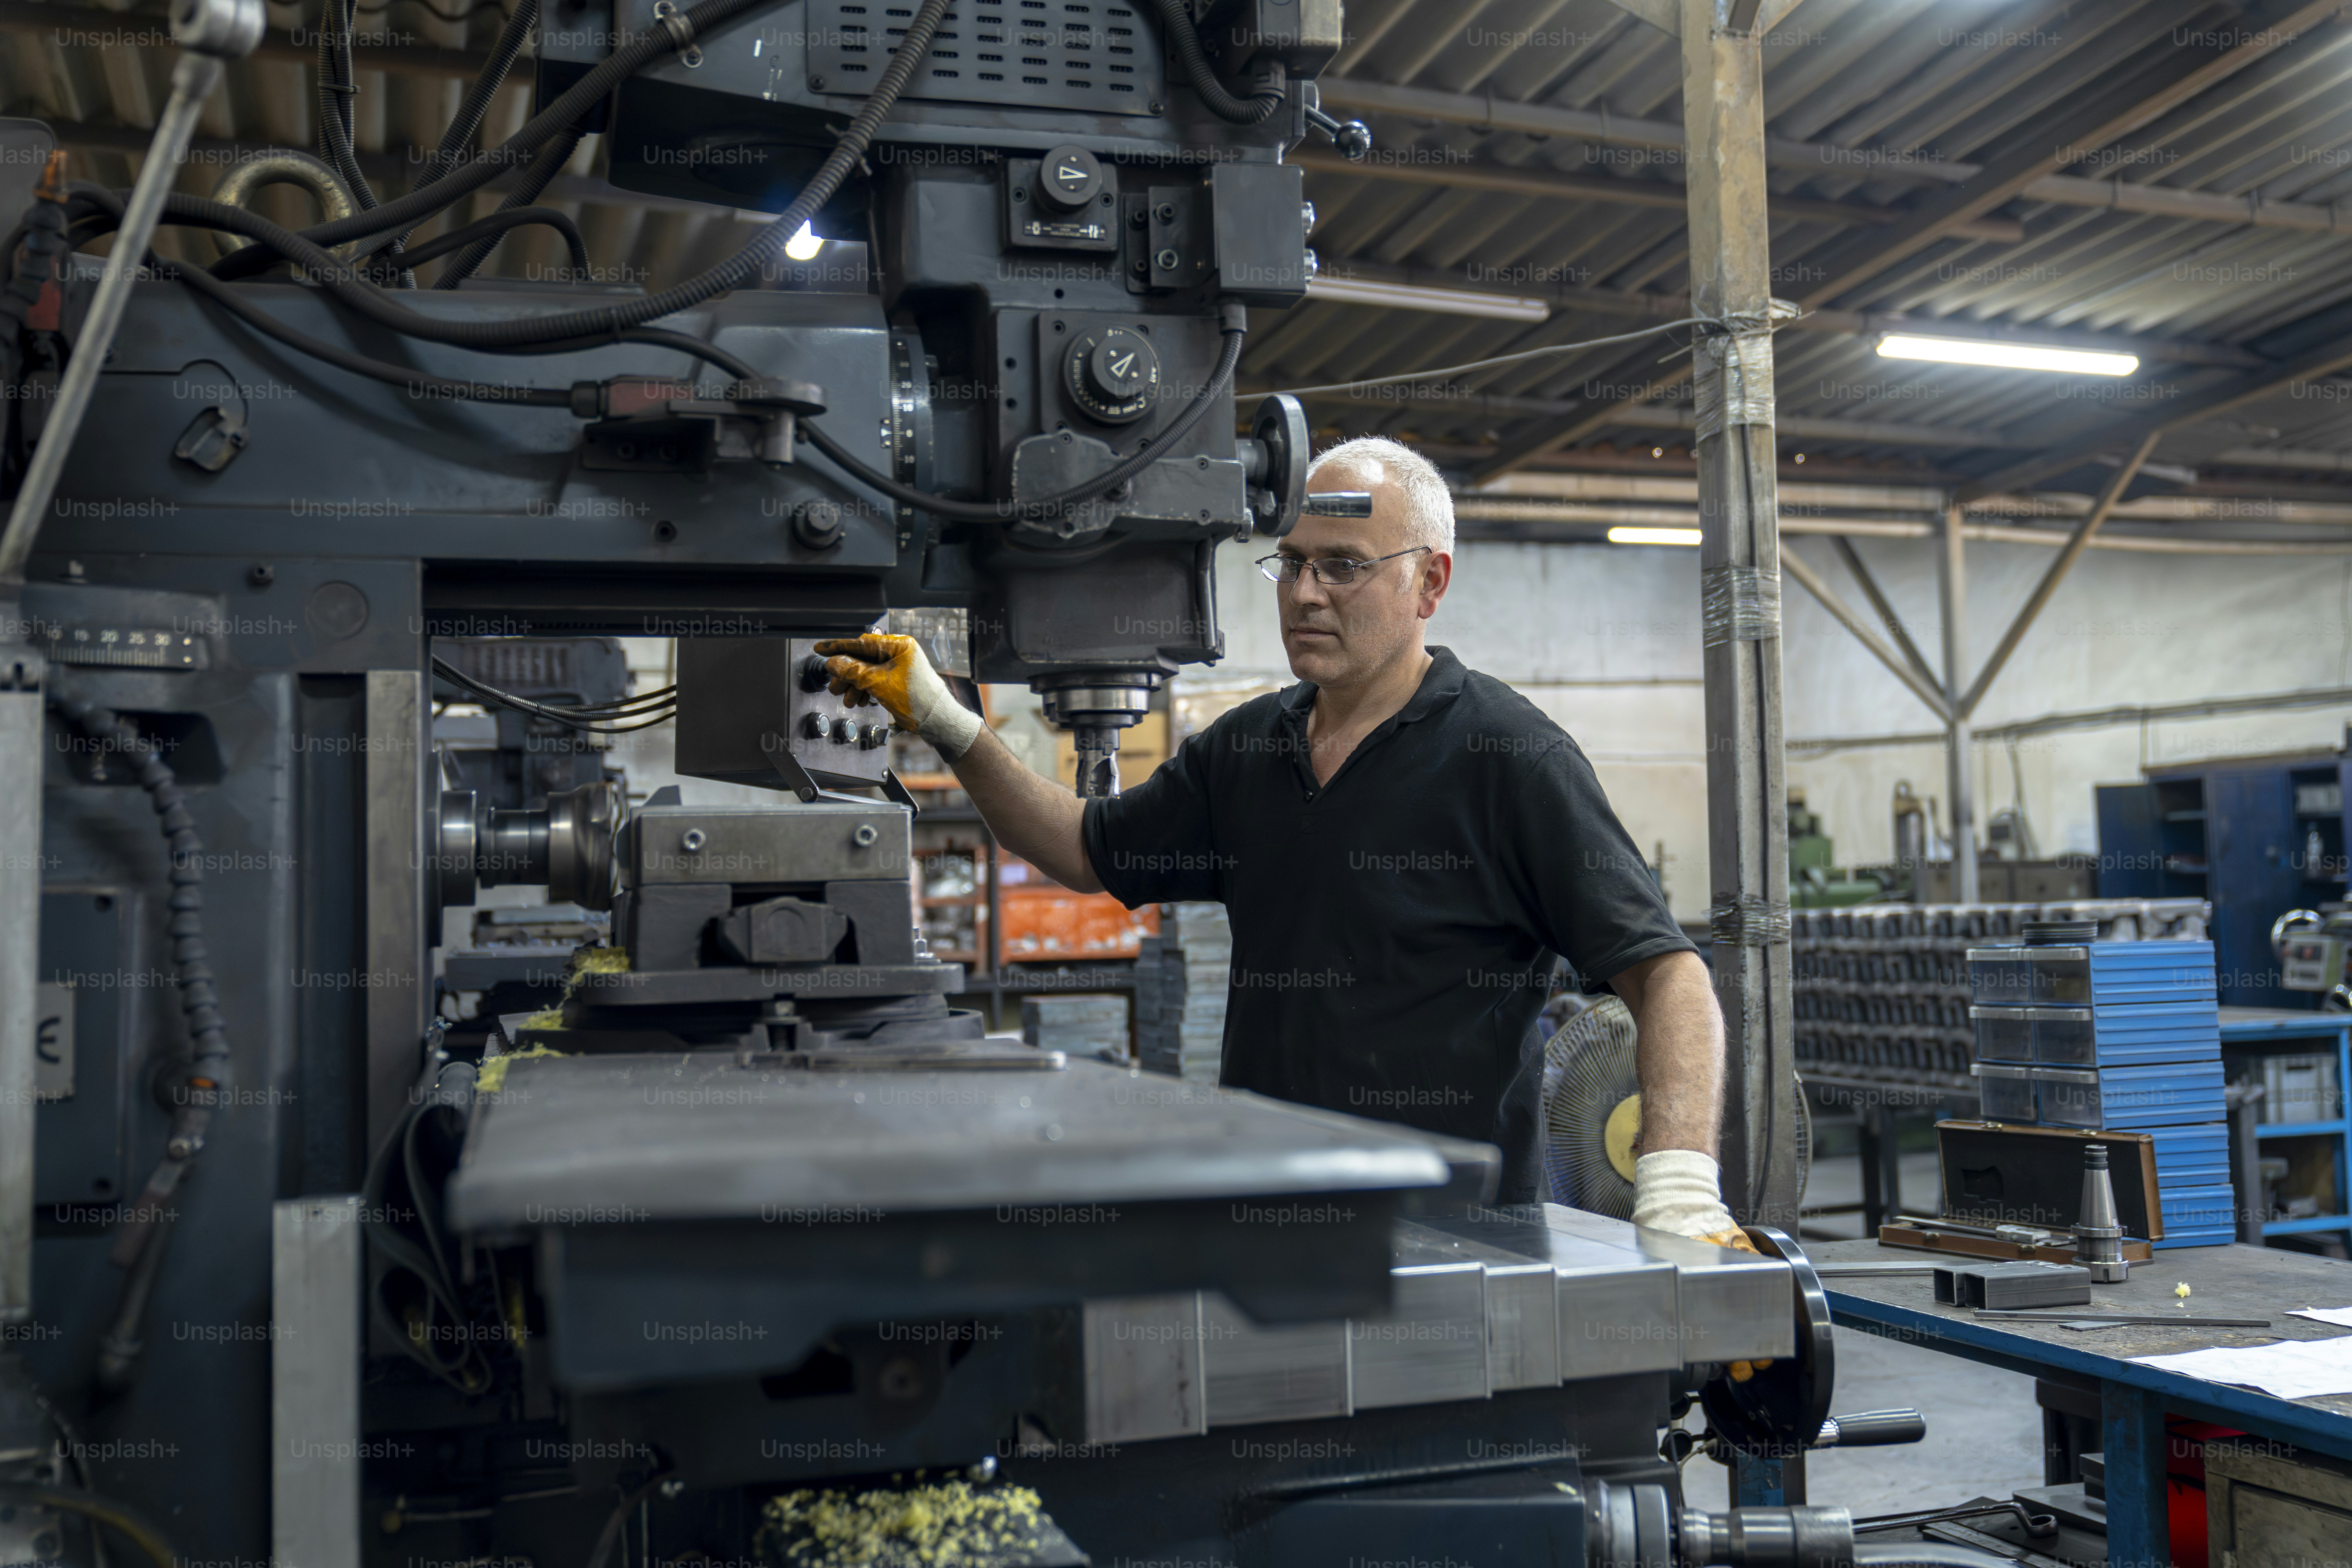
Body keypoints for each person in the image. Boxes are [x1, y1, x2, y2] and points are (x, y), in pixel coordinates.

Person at [816, 436, 1747, 1244]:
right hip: (1270, 1229)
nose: (1305, 593)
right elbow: (1086, 850)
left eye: (1343, 565)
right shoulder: (1246, 751)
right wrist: (948, 723)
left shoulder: (1510, 758)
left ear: (1431, 581)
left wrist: (1677, 1189)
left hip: (1455, 1240)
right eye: (1291, 563)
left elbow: (1666, 974)